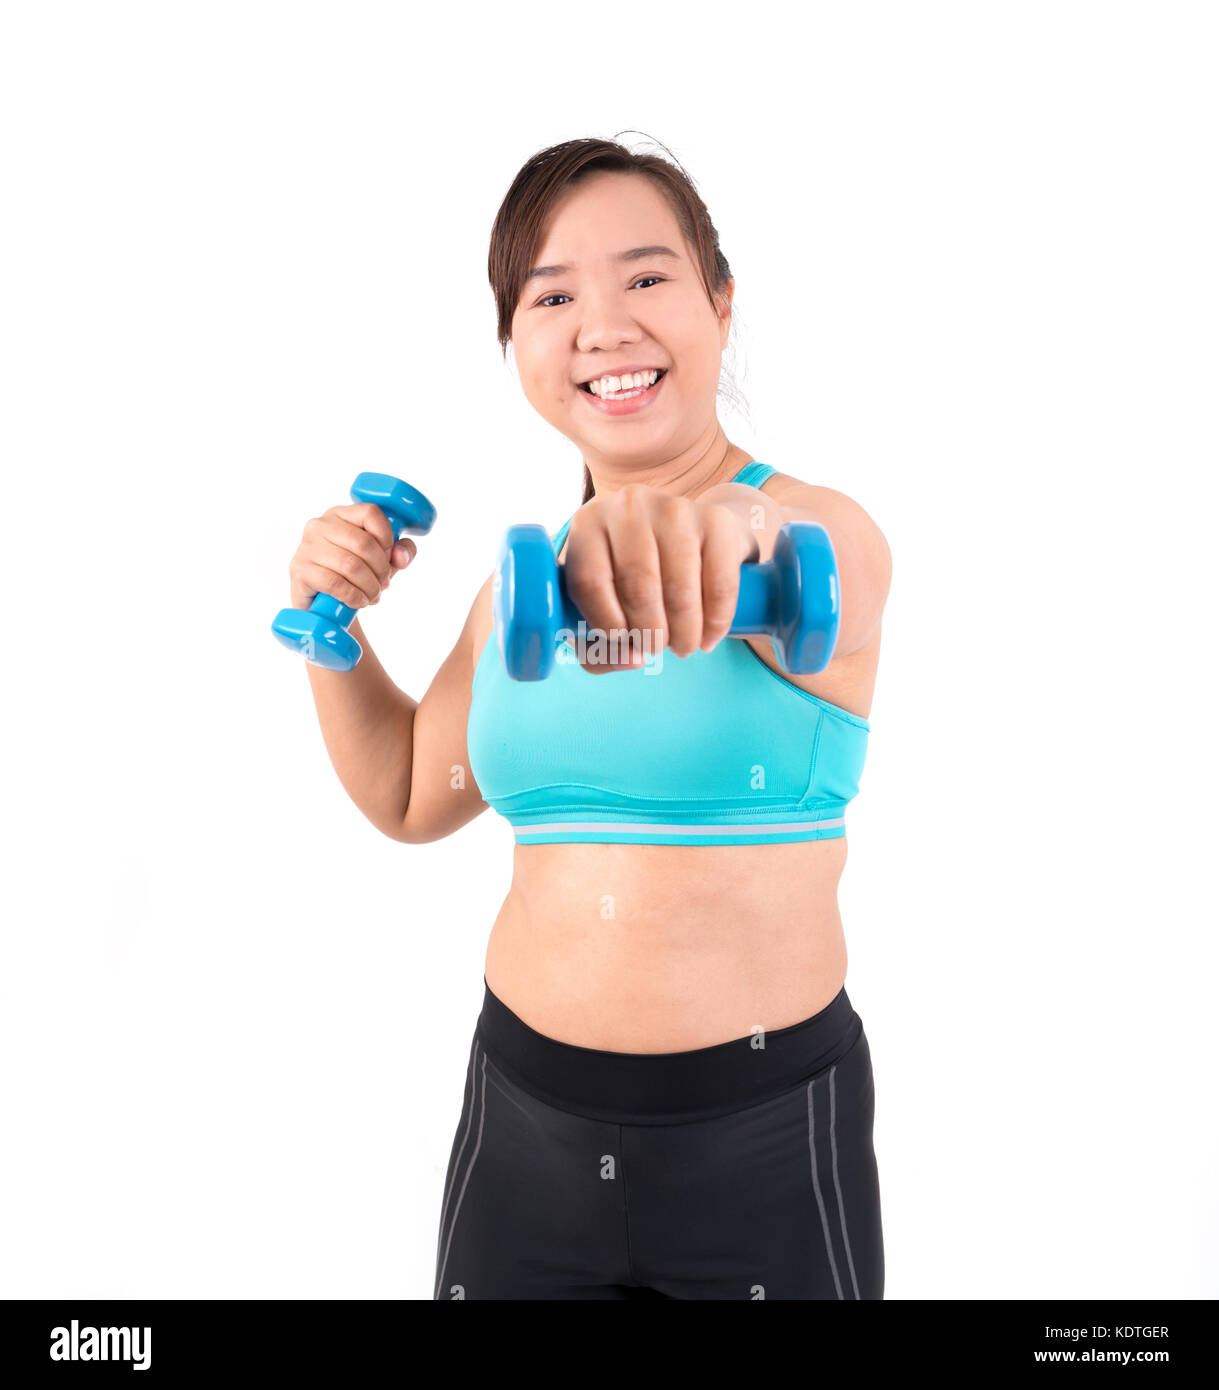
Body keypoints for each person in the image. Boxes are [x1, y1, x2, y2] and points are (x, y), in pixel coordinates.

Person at [285, 136, 893, 1300]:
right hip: (523, 1127)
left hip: (762, 1136)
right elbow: (415, 793)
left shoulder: (814, 526)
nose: (602, 325)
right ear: (514, 341)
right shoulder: (521, 584)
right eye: (551, 294)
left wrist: (702, 536)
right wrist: (333, 629)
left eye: (647, 278)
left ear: (721, 301)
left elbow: (819, 572)